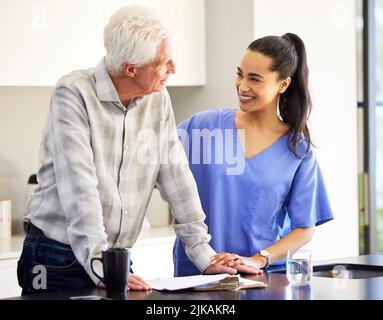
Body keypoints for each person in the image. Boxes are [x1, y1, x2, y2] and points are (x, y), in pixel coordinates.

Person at [17, 5, 240, 295]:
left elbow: (176, 176)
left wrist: (203, 253)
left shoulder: (157, 99)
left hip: (112, 257)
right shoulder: (73, 94)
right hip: (55, 257)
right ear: (130, 69)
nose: (173, 69)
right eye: (163, 62)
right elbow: (79, 187)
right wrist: (102, 265)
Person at [173, 33, 334, 276]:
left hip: (260, 279)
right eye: (240, 74)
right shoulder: (203, 127)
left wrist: (258, 259)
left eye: (255, 79)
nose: (243, 86)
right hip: (197, 275)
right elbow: (149, 167)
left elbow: (304, 228)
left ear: (283, 84)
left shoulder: (298, 151)